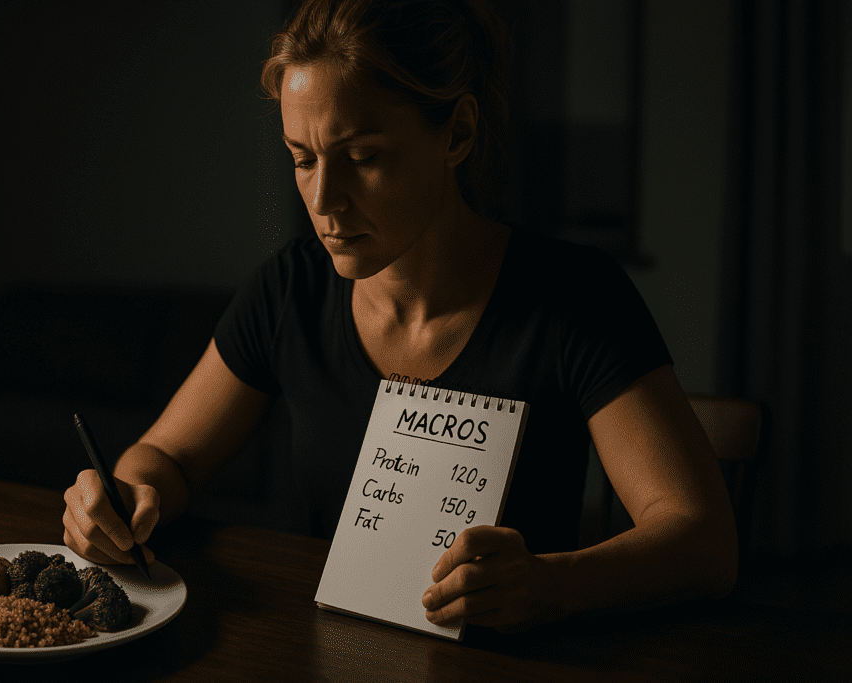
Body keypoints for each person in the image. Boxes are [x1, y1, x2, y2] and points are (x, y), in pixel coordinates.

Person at [62, 0, 738, 634]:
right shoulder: (289, 291)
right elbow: (168, 457)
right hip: (324, 649)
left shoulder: (574, 298)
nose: (324, 199)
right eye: (303, 159)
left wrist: (549, 583)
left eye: (363, 157)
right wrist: (126, 498)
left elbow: (702, 538)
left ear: (458, 132)